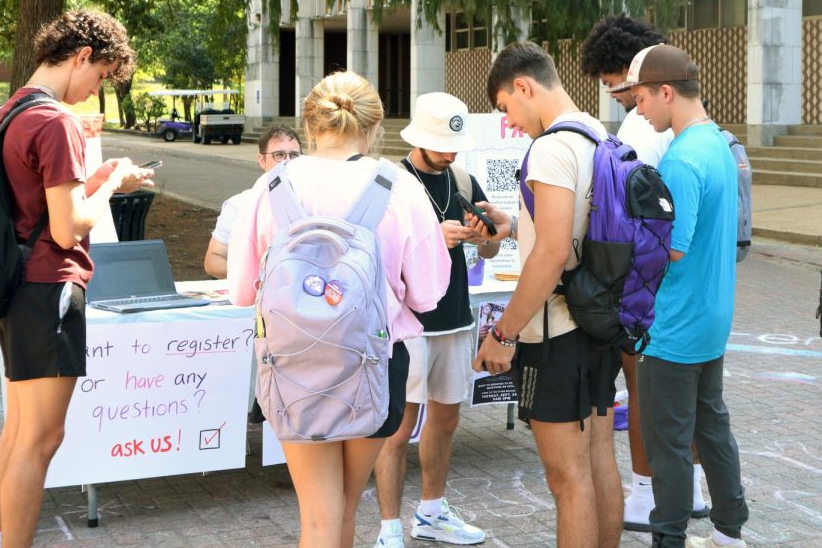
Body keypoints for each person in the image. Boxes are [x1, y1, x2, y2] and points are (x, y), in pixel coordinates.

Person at [226, 72, 450, 548]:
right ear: (373, 128)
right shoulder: (399, 186)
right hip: (375, 365)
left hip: (292, 368)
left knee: (319, 518)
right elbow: (428, 295)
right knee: (345, 507)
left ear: (309, 126)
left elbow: (243, 292)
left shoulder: (271, 186)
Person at [0, 7, 152, 548]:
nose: (94, 89)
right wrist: (114, 184)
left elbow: (38, 202)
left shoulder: (12, 110)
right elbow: (67, 229)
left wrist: (95, 179)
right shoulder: (57, 121)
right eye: (102, 75)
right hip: (49, 287)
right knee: (40, 440)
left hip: (17, 286)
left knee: (17, 434)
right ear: (83, 56)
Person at [472, 42, 623, 548]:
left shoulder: (552, 149)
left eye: (505, 107)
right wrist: (514, 225)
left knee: (567, 481)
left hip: (555, 334)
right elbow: (575, 232)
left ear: (524, 87)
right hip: (597, 323)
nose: (509, 122)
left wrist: (502, 332)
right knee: (599, 462)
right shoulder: (597, 134)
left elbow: (553, 253)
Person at [579, 15, 709, 531]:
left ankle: (644, 490)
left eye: (613, 81)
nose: (611, 92)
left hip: (644, 281)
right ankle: (691, 485)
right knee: (683, 395)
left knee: (643, 392)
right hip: (687, 281)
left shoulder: (639, 127)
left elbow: (623, 211)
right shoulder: (697, 129)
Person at [618, 44, 749, 548]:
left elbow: (670, 250)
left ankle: (668, 537)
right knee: (712, 427)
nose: (638, 110)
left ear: (666, 92)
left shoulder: (682, 159)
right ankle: (729, 530)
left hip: (672, 325)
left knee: (667, 443)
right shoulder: (717, 142)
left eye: (642, 99)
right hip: (711, 318)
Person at [374, 92, 495, 547]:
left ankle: (430, 512)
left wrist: (488, 235)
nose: (449, 155)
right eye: (440, 146)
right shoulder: (391, 181)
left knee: (445, 421)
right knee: (397, 427)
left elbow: (491, 249)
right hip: (408, 325)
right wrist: (432, 238)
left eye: (454, 146)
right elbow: (376, 251)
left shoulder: (461, 176)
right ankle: (388, 528)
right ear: (418, 139)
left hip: (455, 318)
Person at [203, 124, 303, 278]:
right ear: (262, 160)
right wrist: (258, 276)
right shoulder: (239, 205)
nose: (287, 161)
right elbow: (213, 261)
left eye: (294, 155)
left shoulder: (314, 203)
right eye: (279, 155)